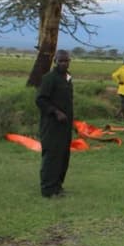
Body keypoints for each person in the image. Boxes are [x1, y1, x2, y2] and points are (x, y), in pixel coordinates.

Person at [35, 50, 74, 198]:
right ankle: (48, 189)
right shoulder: (49, 78)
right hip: (52, 124)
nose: (64, 63)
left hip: (65, 125)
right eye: (61, 61)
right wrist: (55, 112)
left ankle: (57, 186)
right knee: (52, 155)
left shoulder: (68, 78)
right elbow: (40, 100)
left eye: (67, 61)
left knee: (63, 155)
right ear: (55, 62)